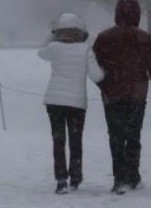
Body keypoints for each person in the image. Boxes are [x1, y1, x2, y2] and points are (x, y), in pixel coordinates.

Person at [92, 0, 151, 195]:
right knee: (134, 136)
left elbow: (93, 66)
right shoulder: (144, 38)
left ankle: (119, 179)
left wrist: (104, 85)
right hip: (137, 92)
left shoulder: (104, 37)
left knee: (116, 137)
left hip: (112, 93)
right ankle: (132, 176)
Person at [38, 13, 104, 195]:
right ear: (80, 32)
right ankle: (75, 176)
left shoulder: (54, 48)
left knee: (58, 141)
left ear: (59, 31)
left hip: (54, 101)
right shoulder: (85, 50)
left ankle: (61, 179)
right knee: (75, 141)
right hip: (76, 103)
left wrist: (52, 33)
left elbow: (40, 50)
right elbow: (96, 76)